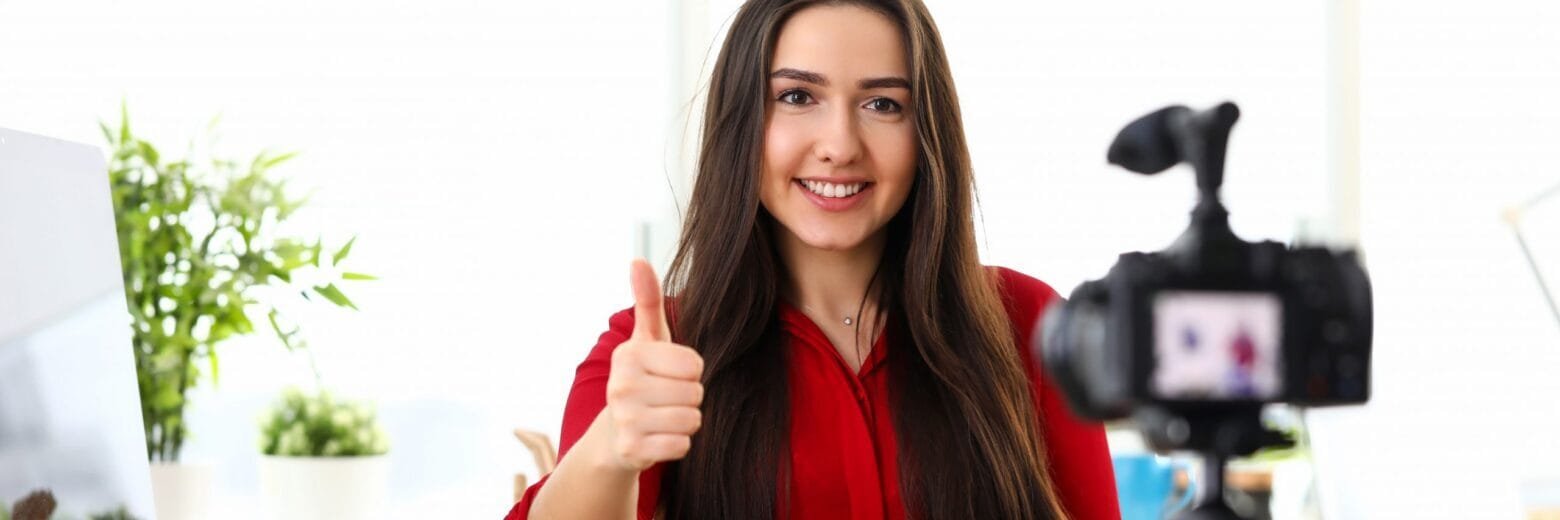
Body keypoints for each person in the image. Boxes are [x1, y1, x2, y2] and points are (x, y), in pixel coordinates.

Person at [508, 0, 1118, 518]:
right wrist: (613, 447)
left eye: (883, 104)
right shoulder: (654, 353)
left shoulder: (1032, 324)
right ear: (743, 120)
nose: (839, 146)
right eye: (798, 96)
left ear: (926, 130)